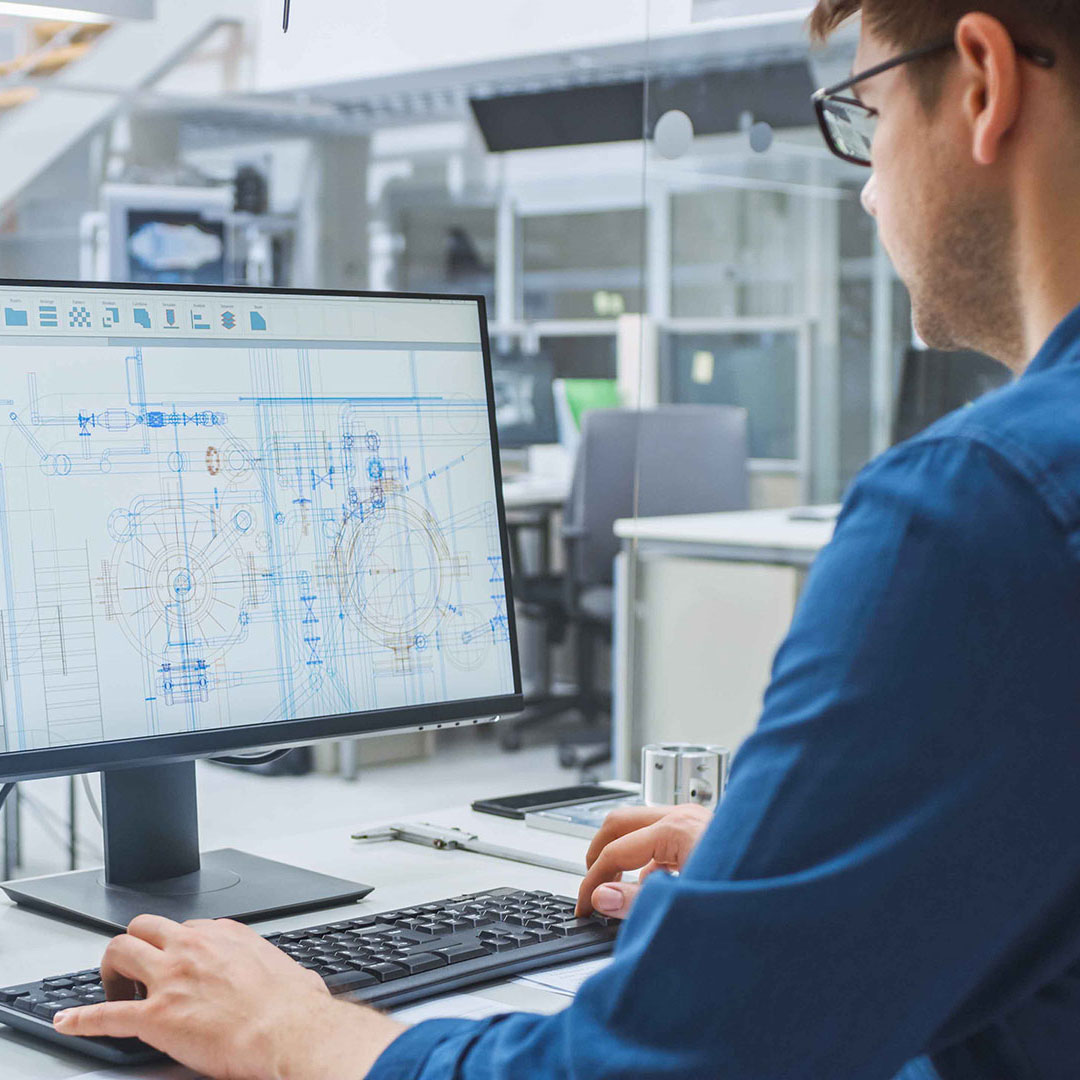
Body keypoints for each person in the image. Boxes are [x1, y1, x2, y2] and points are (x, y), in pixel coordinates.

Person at [52, 1, 1080, 1076]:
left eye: (863, 119)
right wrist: (800, 878)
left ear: (981, 83)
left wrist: (293, 1030)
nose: (866, 185)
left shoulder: (983, 511)